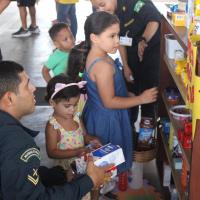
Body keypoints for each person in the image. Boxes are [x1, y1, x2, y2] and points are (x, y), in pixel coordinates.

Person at [0, 60, 112, 199]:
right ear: (10, 98)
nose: (34, 88)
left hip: (71, 171)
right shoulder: (17, 145)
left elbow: (20, 177)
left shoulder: (8, 135)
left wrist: (62, 175)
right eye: (27, 84)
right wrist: (88, 181)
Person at [71, 11, 158, 174]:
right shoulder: (102, 65)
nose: (117, 41)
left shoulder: (98, 55)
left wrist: (127, 96)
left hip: (100, 114)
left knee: (104, 164)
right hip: (108, 120)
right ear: (94, 38)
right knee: (108, 164)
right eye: (112, 36)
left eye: (118, 35)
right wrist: (141, 99)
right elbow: (109, 101)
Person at [90, 0, 161, 122]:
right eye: (96, 7)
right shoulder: (103, 11)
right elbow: (120, 39)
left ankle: (146, 132)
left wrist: (143, 40)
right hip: (131, 53)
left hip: (150, 52)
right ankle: (130, 126)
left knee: (149, 92)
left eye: (102, 5)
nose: (100, 10)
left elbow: (153, 20)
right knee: (130, 88)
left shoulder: (133, 3)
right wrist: (126, 65)